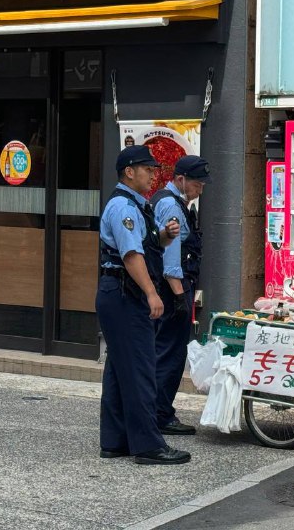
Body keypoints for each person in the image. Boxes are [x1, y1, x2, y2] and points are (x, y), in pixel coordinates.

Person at [96, 145, 191, 465]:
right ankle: (148, 445)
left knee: (119, 369)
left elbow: (147, 245)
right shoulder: (124, 207)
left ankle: (115, 439)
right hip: (125, 293)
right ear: (129, 172)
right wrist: (152, 293)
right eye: (148, 169)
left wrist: (164, 234)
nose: (154, 174)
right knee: (140, 370)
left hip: (118, 292)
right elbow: (131, 255)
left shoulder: (139, 206)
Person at [151, 155, 211, 436]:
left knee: (168, 351)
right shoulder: (170, 205)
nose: (201, 189)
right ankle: (160, 414)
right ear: (180, 180)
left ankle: (159, 411)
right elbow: (171, 259)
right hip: (173, 286)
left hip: (177, 285)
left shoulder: (178, 203)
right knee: (170, 353)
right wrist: (179, 298)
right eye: (198, 184)